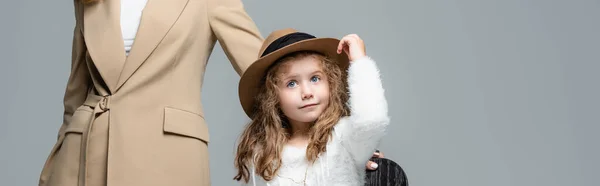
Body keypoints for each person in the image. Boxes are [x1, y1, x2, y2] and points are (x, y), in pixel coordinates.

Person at [38, 0, 384, 186]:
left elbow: (268, 70)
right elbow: (77, 86)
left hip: (165, 153)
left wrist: (339, 139)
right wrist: (57, 156)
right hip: (84, 154)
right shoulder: (90, 1)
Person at [233, 28, 390, 186]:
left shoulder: (344, 137)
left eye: (315, 78)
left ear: (331, 83)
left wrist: (359, 62)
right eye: (292, 83)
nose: (307, 92)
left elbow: (370, 120)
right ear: (272, 97)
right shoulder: (264, 154)